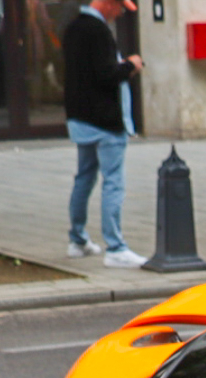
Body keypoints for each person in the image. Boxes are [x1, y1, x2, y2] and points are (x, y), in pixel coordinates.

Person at [63, 0, 145, 268]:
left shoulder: (73, 28)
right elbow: (107, 75)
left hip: (81, 117)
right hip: (105, 120)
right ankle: (116, 248)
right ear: (108, 4)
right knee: (113, 182)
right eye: (120, 8)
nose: (120, 14)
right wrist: (130, 65)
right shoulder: (98, 32)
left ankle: (77, 239)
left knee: (84, 177)